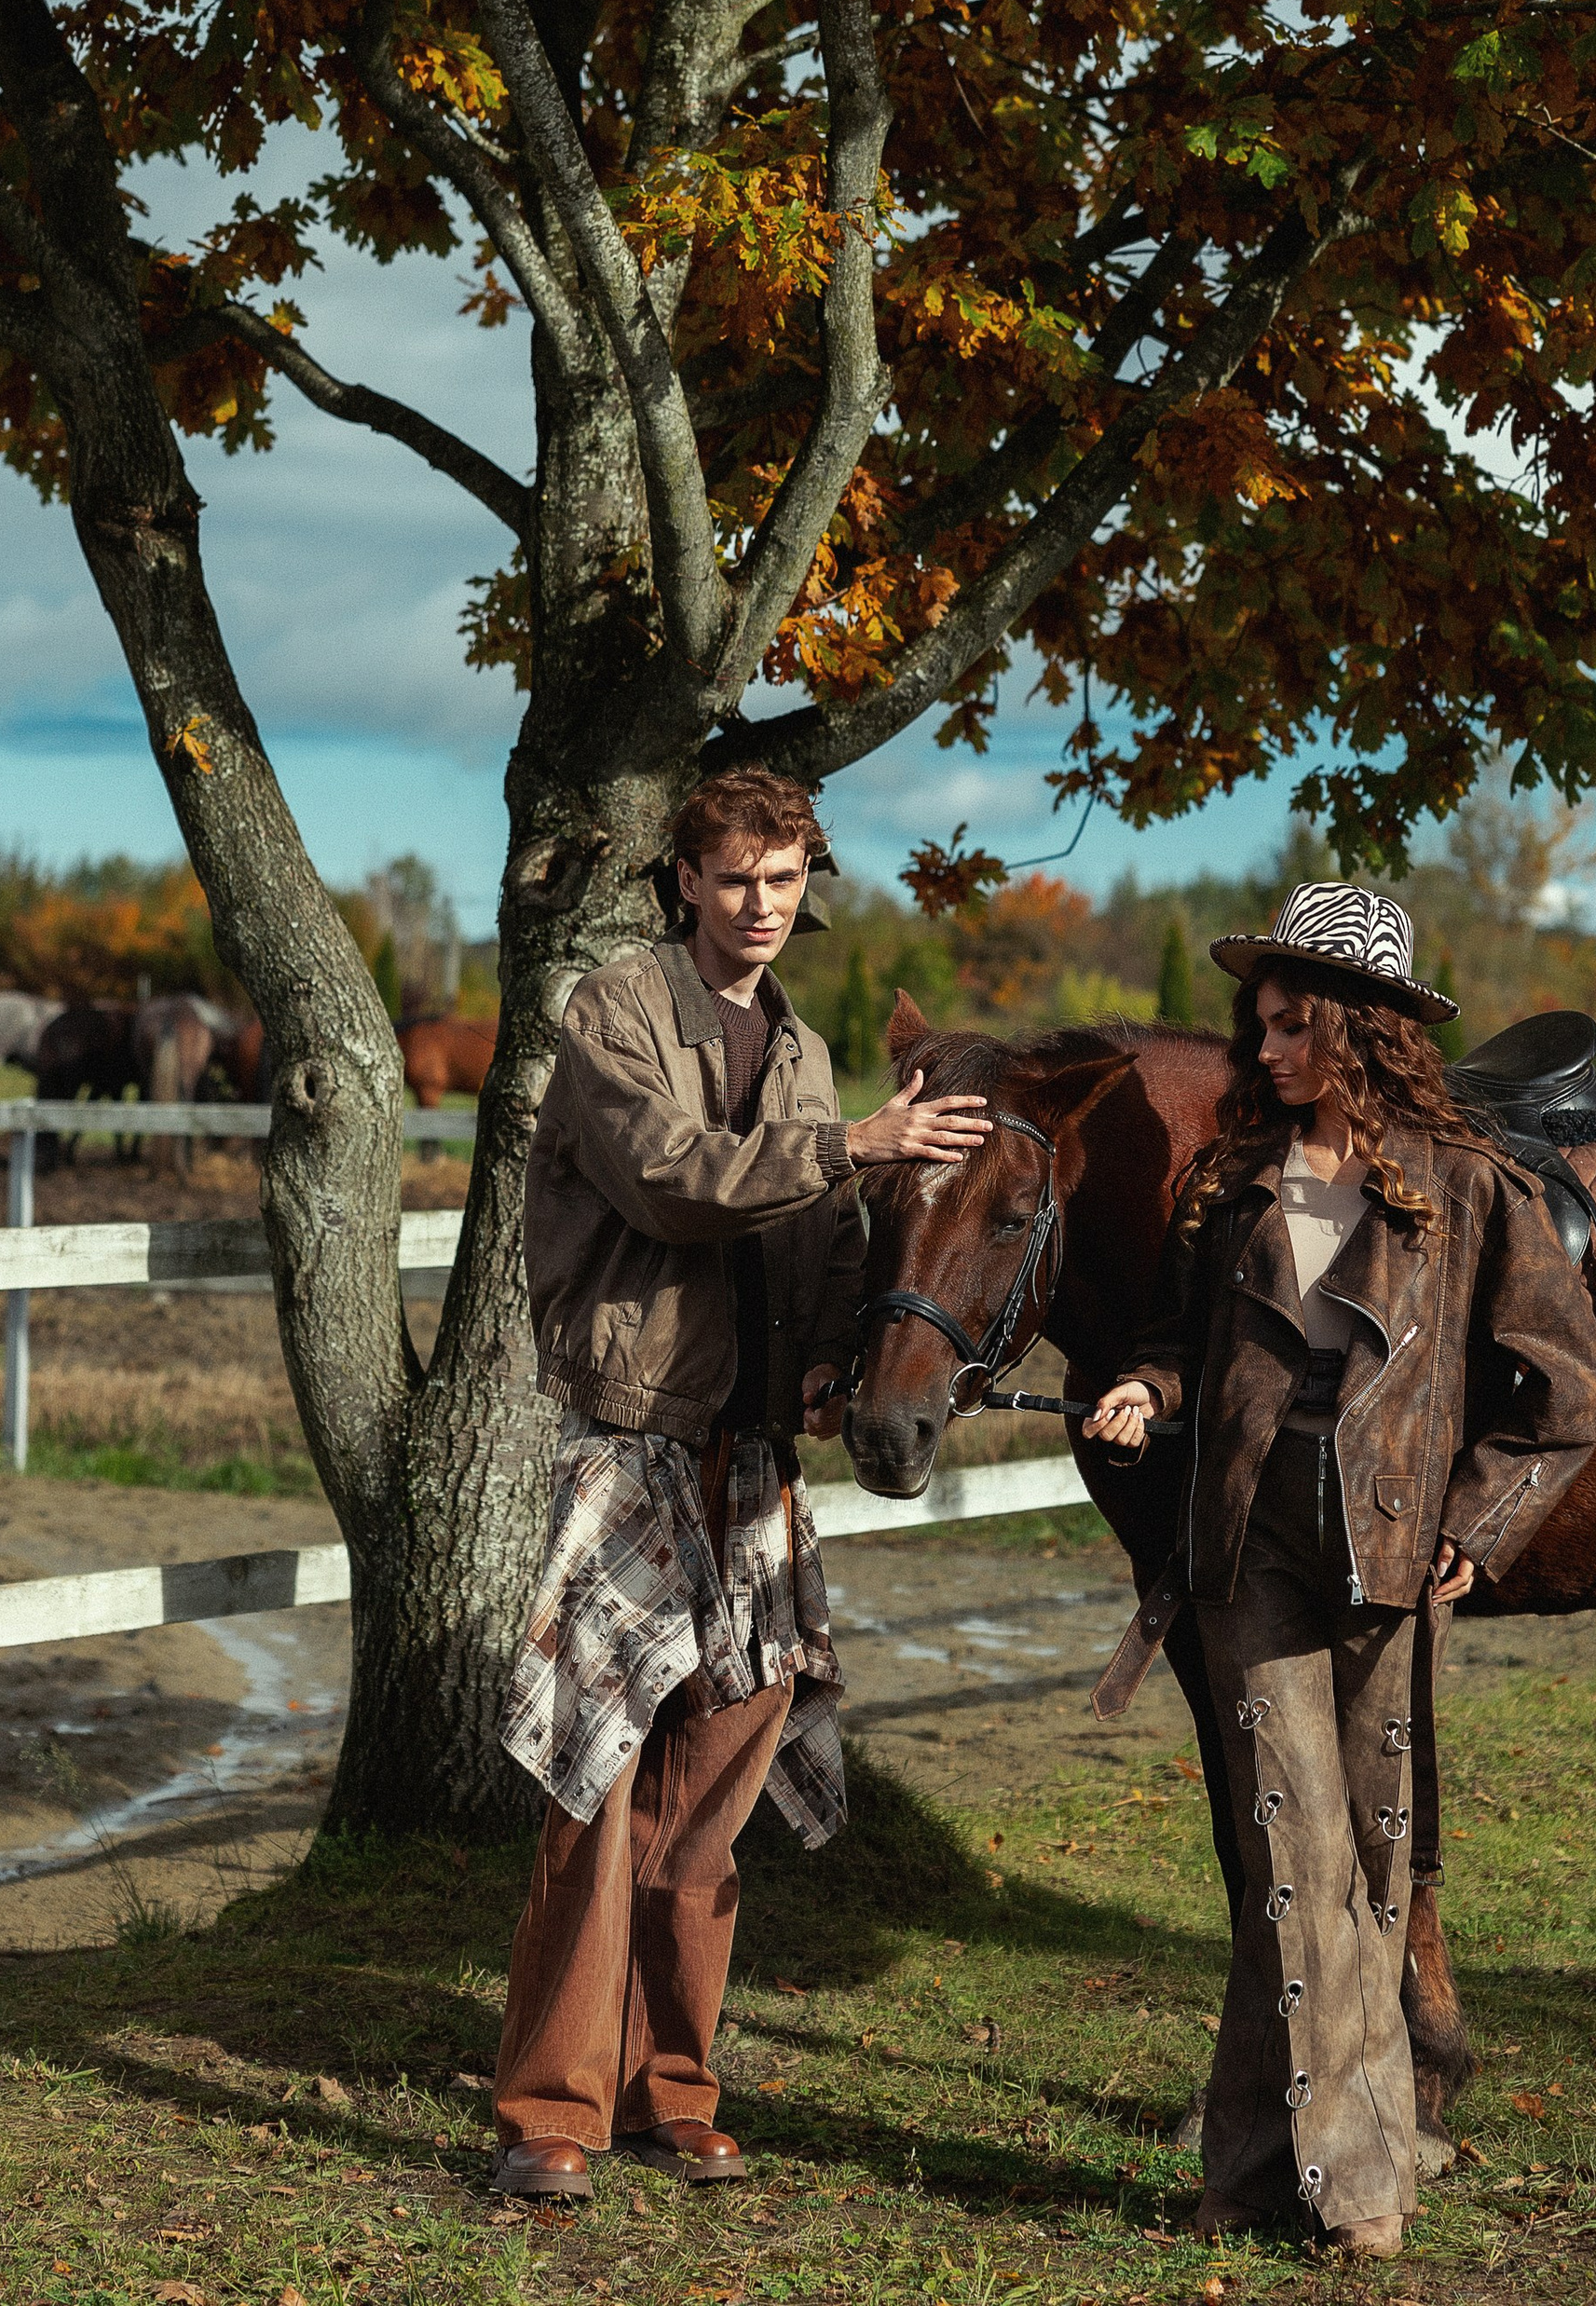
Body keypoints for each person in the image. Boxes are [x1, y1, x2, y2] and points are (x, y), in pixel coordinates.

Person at [1084, 881, 1596, 2261]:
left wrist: (1477, 1523)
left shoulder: (1470, 1186)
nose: (1262, 1051)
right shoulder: (1229, 1184)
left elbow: (1567, 1389)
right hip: (1247, 1541)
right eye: (1258, 1025)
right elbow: (1176, 1345)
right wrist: (1147, 1388)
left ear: (1361, 1031)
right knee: (1290, 1837)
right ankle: (1362, 2185)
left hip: (1387, 1552)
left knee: (1372, 1854)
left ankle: (1250, 2173)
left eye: (1290, 1027)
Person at [491, 766, 990, 2204]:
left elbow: (831, 1245)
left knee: (710, 1794)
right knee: (596, 1779)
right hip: (633, 1439)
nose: (761, 904)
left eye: (783, 879)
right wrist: (855, 1143)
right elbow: (668, 1179)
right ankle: (550, 2112)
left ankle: (673, 2091)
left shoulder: (806, 1048)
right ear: (686, 882)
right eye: (735, 878)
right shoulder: (614, 1012)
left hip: (755, 1463)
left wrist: (832, 1357)